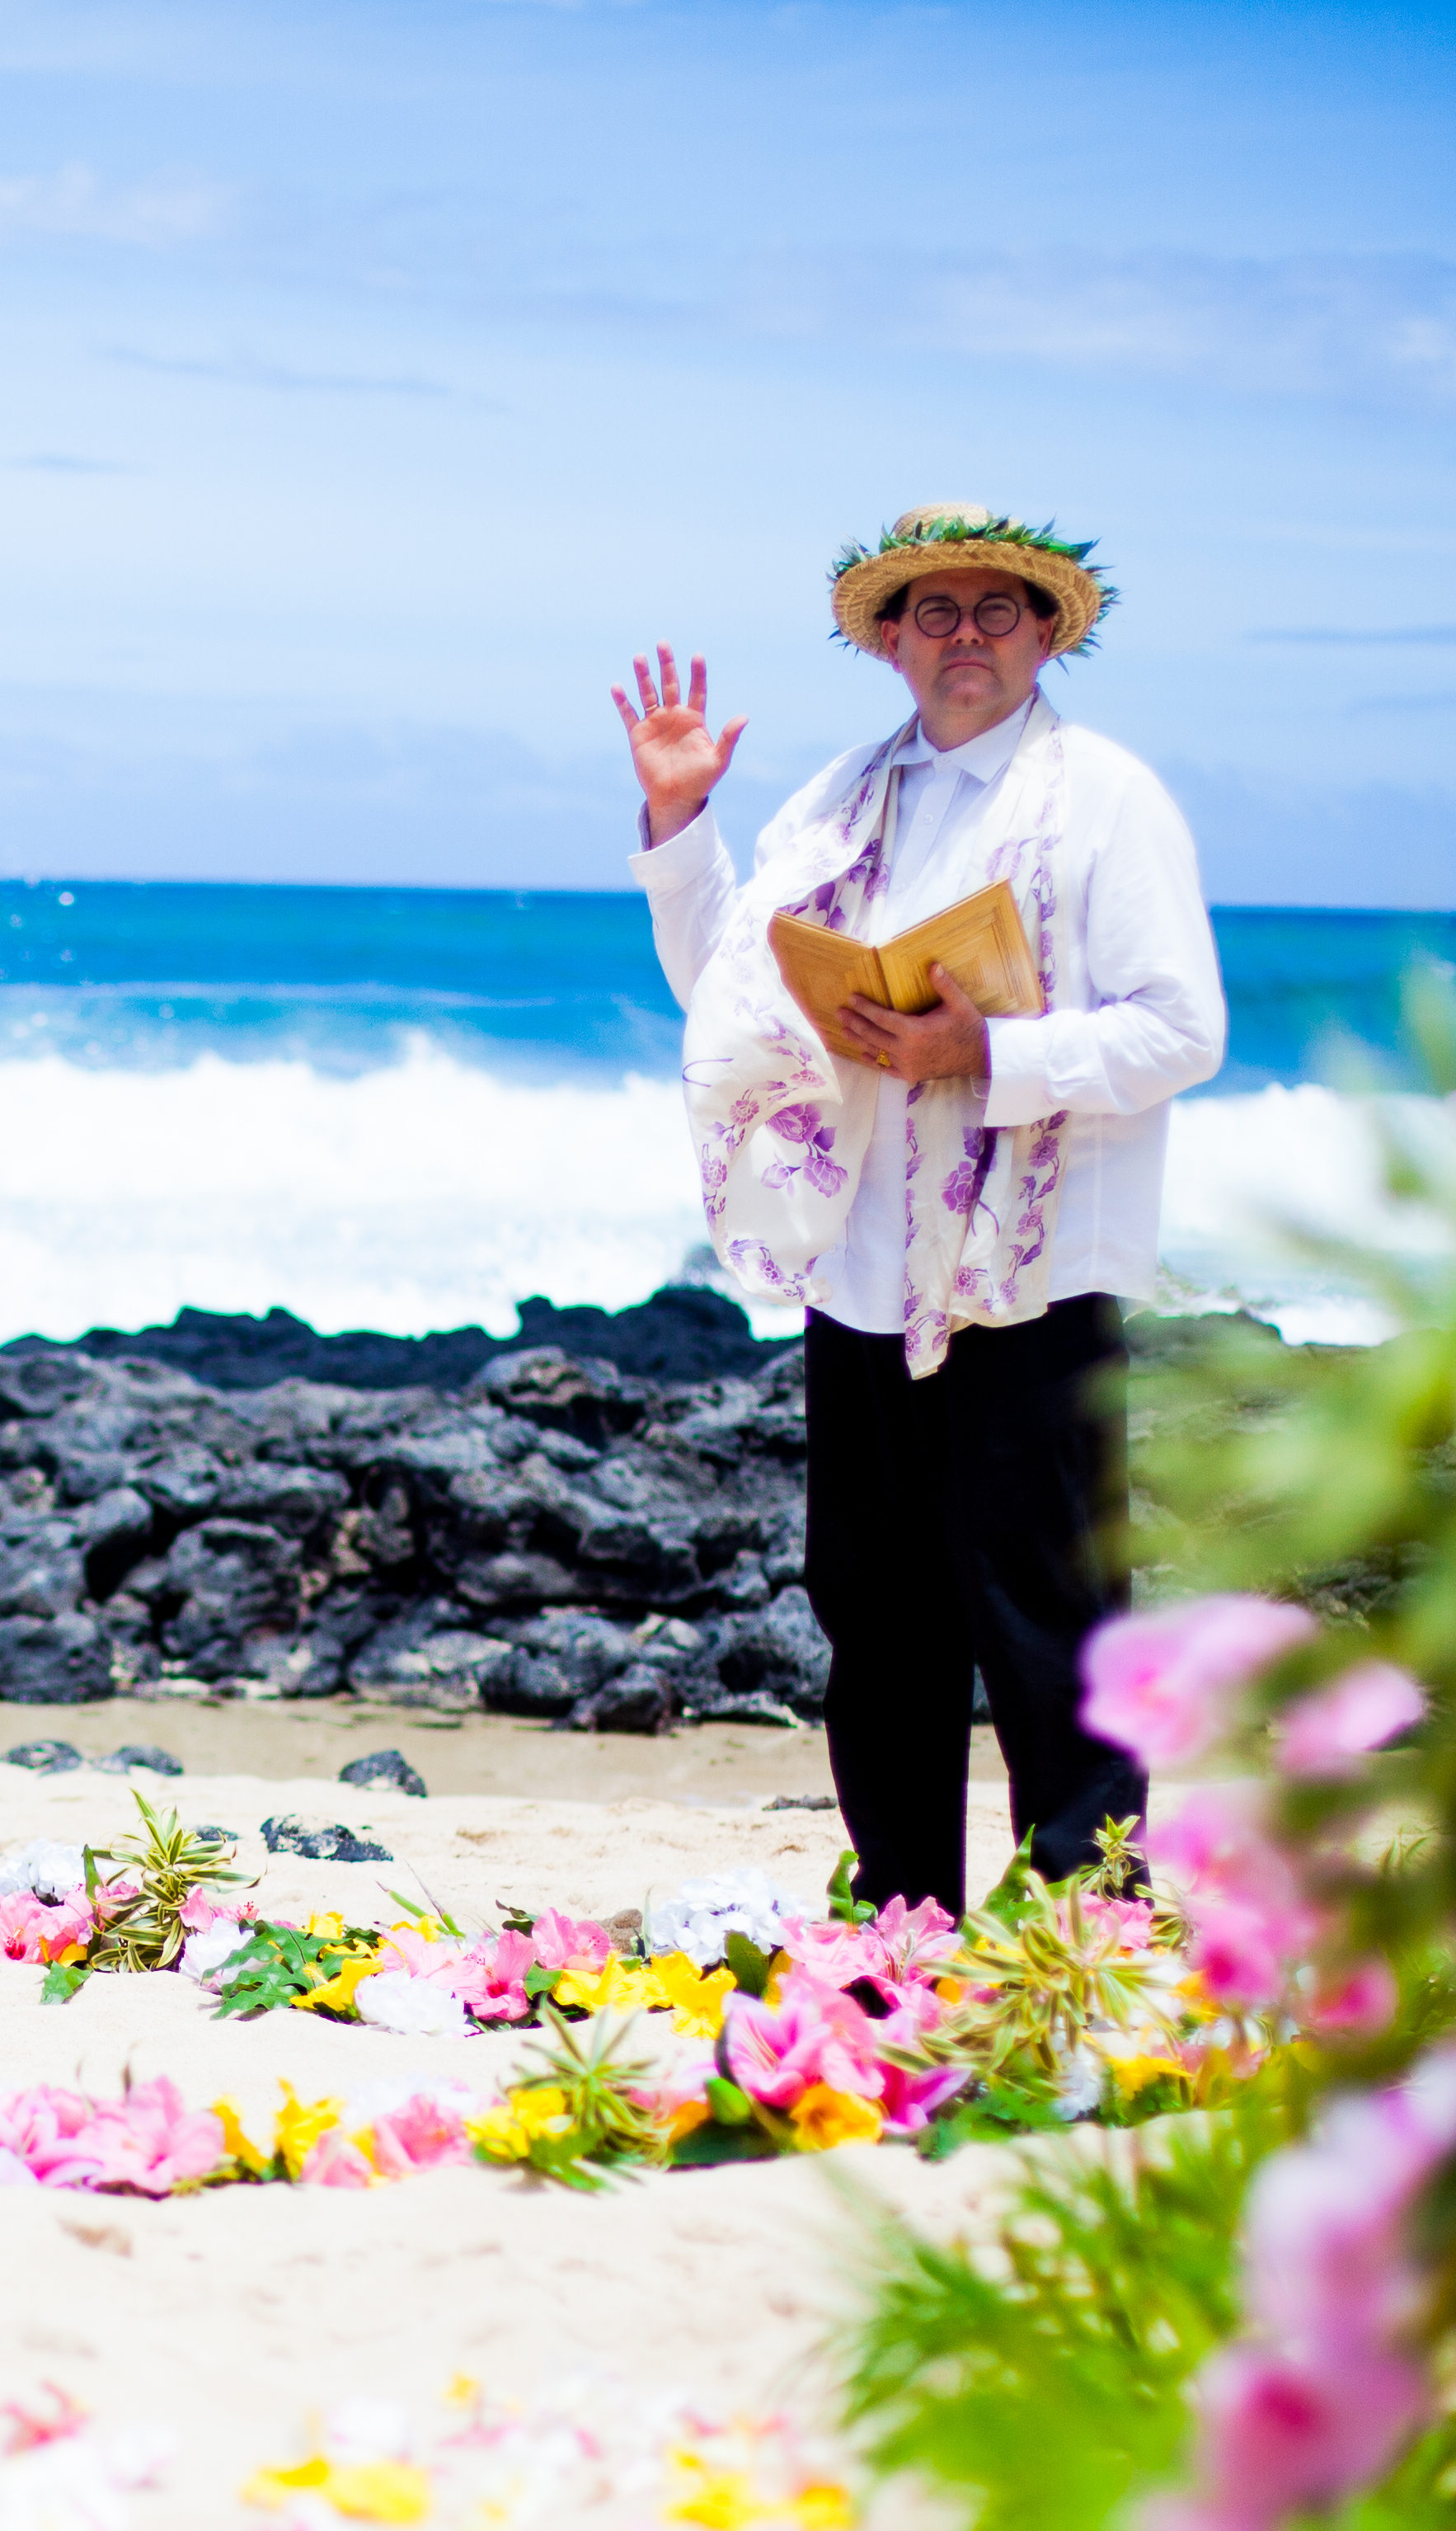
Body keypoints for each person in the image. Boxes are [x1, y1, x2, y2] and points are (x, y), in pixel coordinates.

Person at [612, 503, 1225, 1922]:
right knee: (874, 1618)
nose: (966, 637)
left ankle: (1085, 1924)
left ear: (1047, 633)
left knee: (1049, 1618)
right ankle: (899, 1925)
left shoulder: (1109, 797)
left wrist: (988, 1055)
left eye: (997, 611)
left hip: (1035, 1275)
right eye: (934, 614)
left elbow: (1181, 1030)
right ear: (889, 642)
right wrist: (679, 818)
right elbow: (732, 988)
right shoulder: (832, 800)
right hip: (864, 1268)